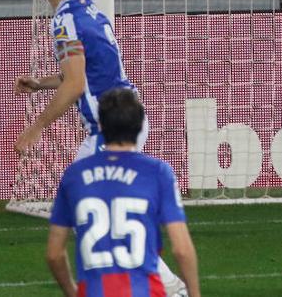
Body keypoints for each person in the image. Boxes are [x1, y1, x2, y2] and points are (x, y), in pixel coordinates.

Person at [15, 0, 188, 296]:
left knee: (87, 205)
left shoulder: (63, 20)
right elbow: (88, 71)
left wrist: (35, 128)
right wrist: (42, 82)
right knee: (99, 207)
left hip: (109, 126)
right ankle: (165, 285)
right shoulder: (91, 10)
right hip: (128, 112)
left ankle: (166, 286)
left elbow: (77, 83)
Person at [47, 88, 201, 297]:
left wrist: (73, 292)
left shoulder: (74, 175)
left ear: (100, 125)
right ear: (140, 125)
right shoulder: (158, 173)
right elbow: (181, 249)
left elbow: (55, 254)